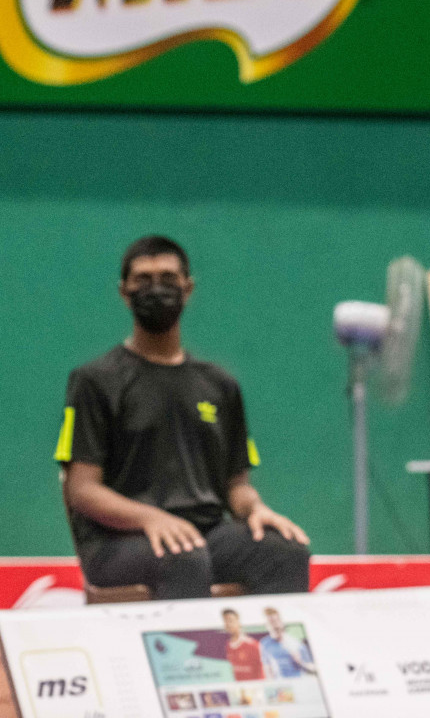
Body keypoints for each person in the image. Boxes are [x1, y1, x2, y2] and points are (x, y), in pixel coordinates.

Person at [55, 235, 311, 600]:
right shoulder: (95, 381)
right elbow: (82, 490)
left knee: (282, 550)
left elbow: (236, 485)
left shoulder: (221, 385)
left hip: (206, 535)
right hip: (121, 542)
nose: (156, 288)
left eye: (168, 278)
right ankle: (191, 660)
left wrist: (256, 509)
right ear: (124, 291)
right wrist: (150, 518)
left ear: (188, 289)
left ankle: (271, 657)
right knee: (183, 555)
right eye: (143, 279)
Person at [259, 606, 316, 677]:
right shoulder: (264, 644)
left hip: (298, 682)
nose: (274, 625)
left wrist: (301, 662)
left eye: (276, 621)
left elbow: (313, 668)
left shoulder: (297, 643)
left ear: (281, 622)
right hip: (279, 685)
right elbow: (267, 668)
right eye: (270, 622)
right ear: (266, 625)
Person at [222, 608, 264, 681]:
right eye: (225, 621)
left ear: (238, 622)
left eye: (230, 621)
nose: (228, 624)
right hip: (238, 689)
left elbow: (261, 671)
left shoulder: (252, 645)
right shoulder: (227, 646)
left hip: (254, 688)